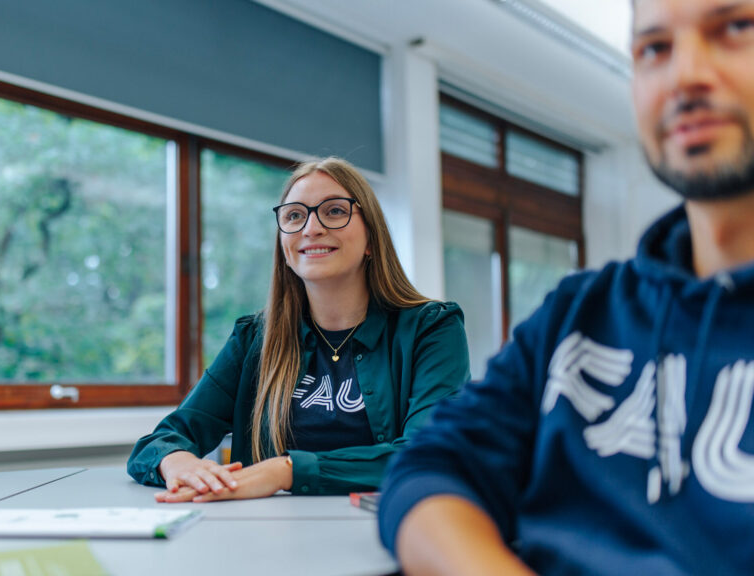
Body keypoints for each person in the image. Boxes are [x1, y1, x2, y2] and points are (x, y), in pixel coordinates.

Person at [379, 1, 754, 574]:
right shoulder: (577, 314)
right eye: (654, 48)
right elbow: (432, 467)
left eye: (736, 28)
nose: (685, 76)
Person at [127, 156, 469, 502]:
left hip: (385, 528)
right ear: (285, 248)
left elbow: (428, 452)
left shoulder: (432, 328)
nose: (311, 228)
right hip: (270, 536)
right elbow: (162, 440)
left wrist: (285, 471)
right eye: (294, 215)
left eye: (335, 211)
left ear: (371, 239)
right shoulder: (253, 339)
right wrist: (176, 461)